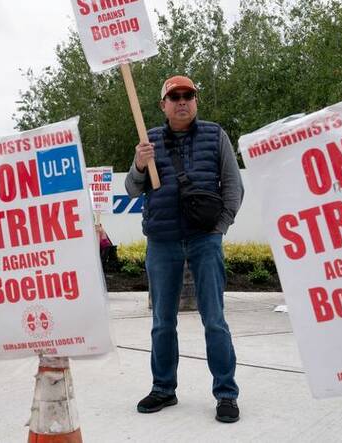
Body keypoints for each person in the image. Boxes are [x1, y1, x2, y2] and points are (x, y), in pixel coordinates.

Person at [125, 75, 244, 423]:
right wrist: (137, 162)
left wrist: (219, 228)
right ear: (163, 104)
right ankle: (163, 388)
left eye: (187, 95)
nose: (181, 101)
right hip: (162, 241)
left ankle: (226, 393)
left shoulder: (215, 135)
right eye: (174, 96)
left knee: (215, 320)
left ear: (196, 100)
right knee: (163, 321)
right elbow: (133, 189)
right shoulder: (148, 141)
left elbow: (233, 186)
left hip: (204, 239)